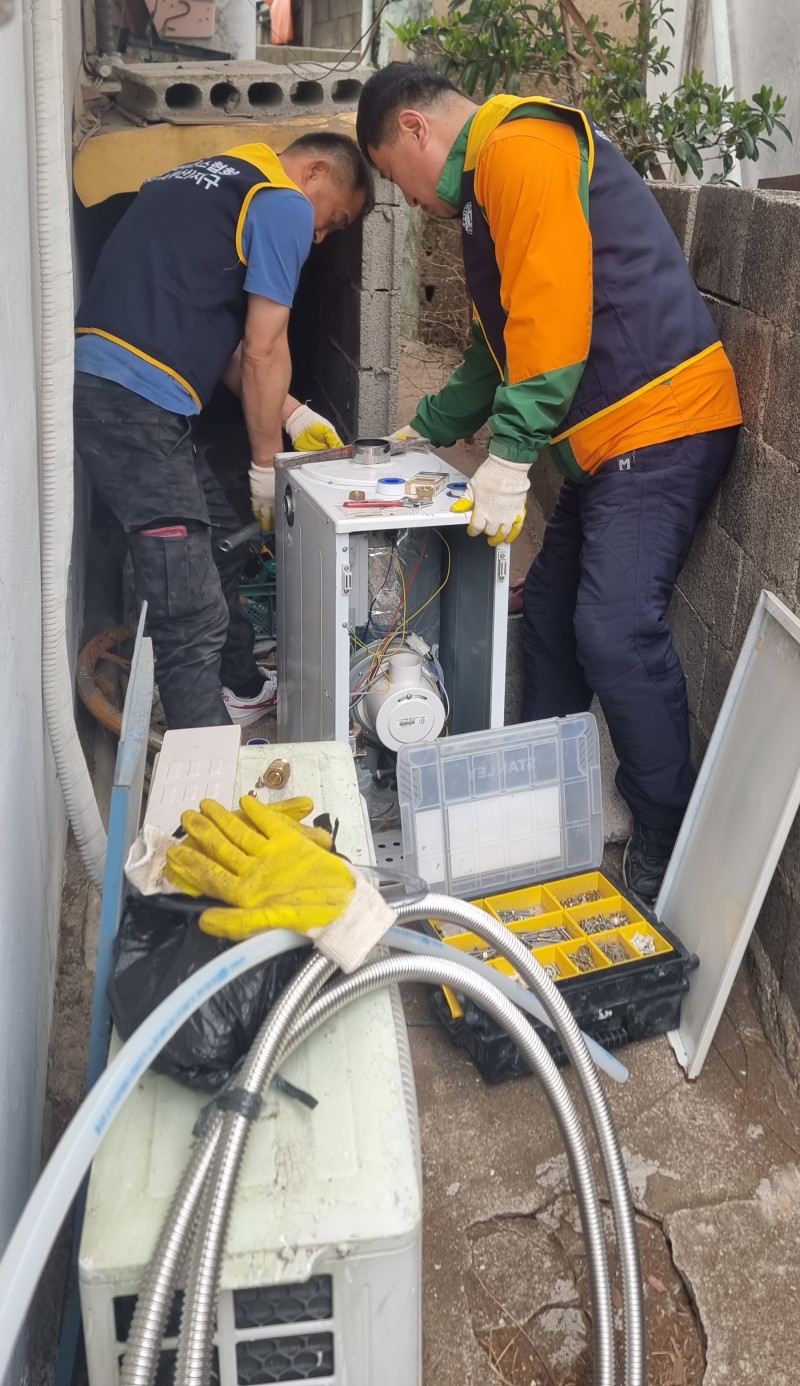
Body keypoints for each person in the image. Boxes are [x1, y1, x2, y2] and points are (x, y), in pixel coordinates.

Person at [357, 65, 741, 900]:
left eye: (395, 176)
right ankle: (538, 796)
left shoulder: (520, 147)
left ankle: (666, 824)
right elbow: (496, 350)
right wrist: (424, 430)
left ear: (417, 129)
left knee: (612, 628)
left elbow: (554, 314)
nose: (409, 200)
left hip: (662, 422)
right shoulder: (482, 200)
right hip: (605, 448)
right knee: (549, 620)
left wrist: (511, 454)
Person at [74, 133, 373, 731]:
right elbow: (264, 348)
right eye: (334, 219)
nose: (320, 237)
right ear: (315, 172)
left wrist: (292, 413)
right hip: (135, 409)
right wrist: (267, 466)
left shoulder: (208, 179)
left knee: (220, 546)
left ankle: (243, 686)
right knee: (191, 616)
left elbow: (222, 342)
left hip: (130, 397)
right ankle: (207, 771)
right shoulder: (282, 202)